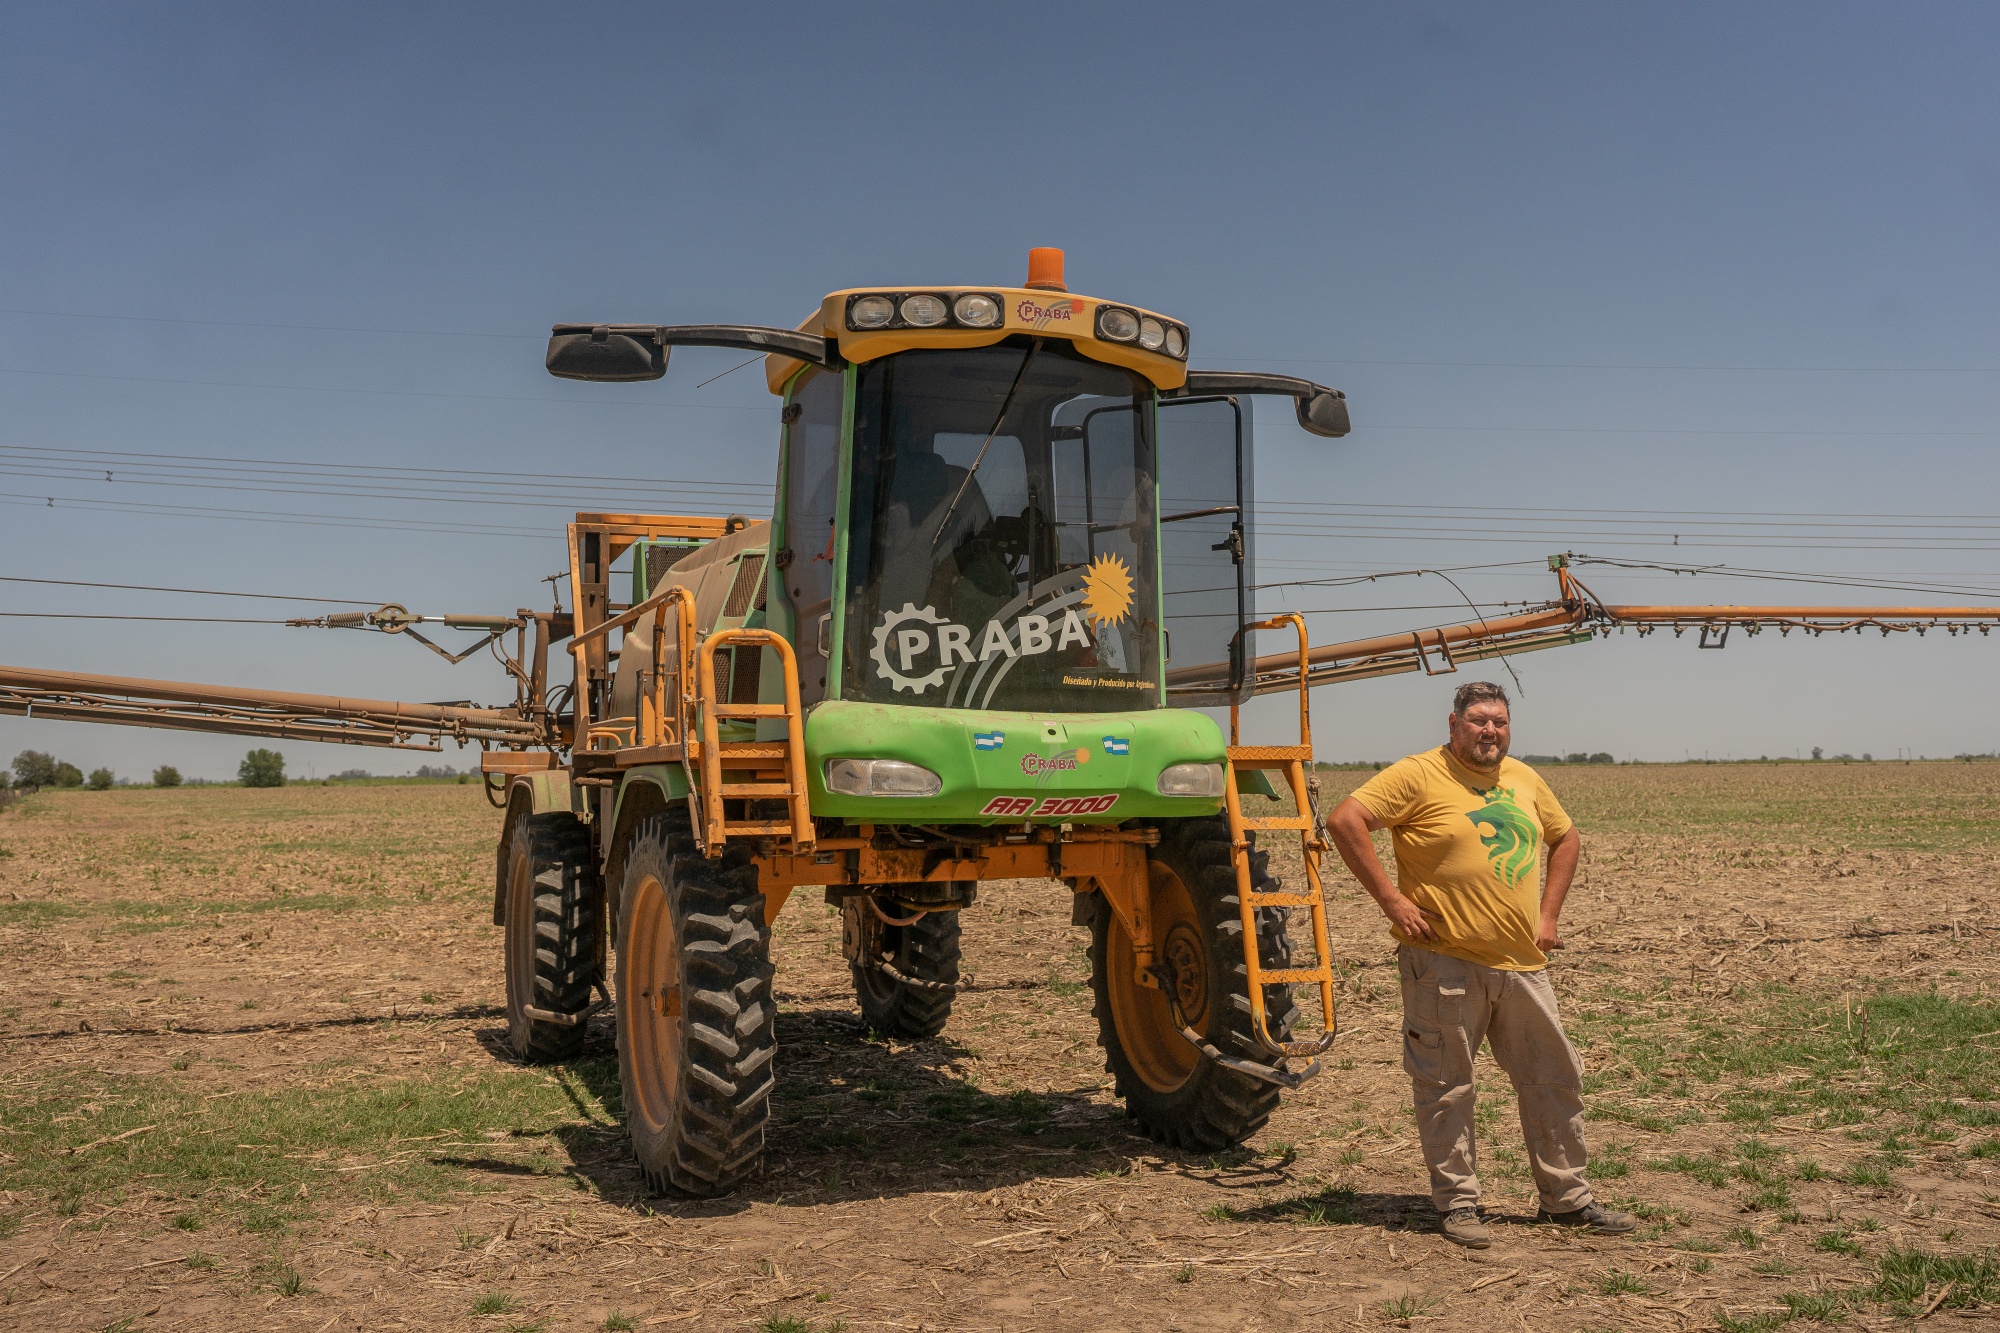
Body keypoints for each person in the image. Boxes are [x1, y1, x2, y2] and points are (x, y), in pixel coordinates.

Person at [1324, 680, 1635, 1249]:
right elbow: (1345, 820)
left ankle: (1567, 1199)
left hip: (1522, 965)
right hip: (1444, 963)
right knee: (1447, 1086)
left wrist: (1548, 917)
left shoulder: (1522, 777)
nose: (1490, 731)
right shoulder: (1419, 774)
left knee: (1554, 1079)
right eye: (1478, 721)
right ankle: (1459, 1204)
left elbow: (1565, 838)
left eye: (1499, 722)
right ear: (1453, 724)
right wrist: (1393, 901)